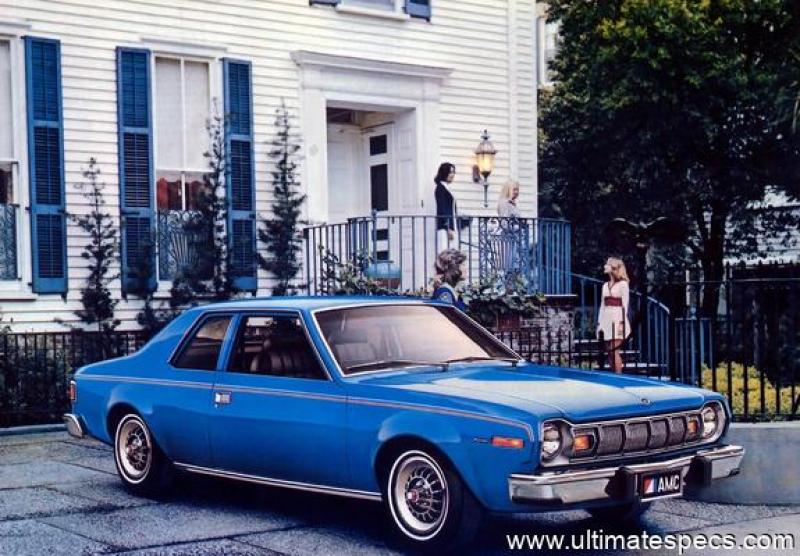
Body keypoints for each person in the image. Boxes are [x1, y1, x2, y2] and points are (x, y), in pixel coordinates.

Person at [596, 257, 631, 373]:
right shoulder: (605, 285)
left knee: (615, 350)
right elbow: (602, 305)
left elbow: (625, 305)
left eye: (607, 265)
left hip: (618, 319)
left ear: (613, 268)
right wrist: (599, 322)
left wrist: (622, 323)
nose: (605, 266)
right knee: (609, 351)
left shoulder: (623, 285)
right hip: (606, 318)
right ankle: (613, 373)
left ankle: (619, 376)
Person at [434, 162, 465, 248]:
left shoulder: (446, 187)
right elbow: (442, 208)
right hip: (445, 229)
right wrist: (447, 228)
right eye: (450, 172)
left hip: (452, 226)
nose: (452, 175)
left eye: (453, 172)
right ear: (444, 173)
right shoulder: (440, 188)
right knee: (445, 253)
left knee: (452, 254)